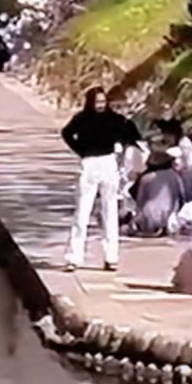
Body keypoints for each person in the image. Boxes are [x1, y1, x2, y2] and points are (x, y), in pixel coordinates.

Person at [64, 88, 143, 272]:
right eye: (97, 102)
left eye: (102, 102)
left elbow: (131, 134)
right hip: (90, 163)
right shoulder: (81, 119)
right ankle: (75, 257)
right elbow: (67, 133)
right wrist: (81, 150)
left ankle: (111, 256)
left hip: (108, 163)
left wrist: (123, 149)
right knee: (82, 211)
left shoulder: (113, 119)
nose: (100, 105)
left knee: (110, 210)